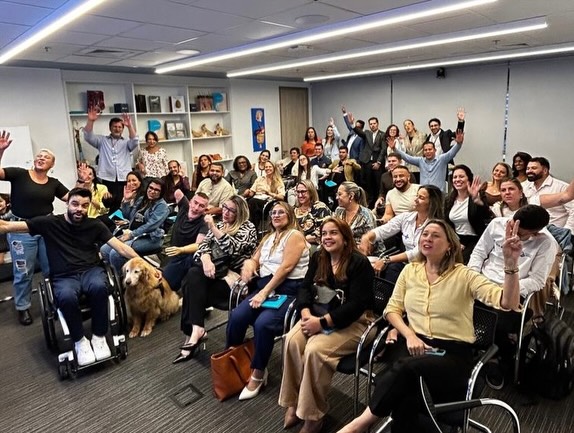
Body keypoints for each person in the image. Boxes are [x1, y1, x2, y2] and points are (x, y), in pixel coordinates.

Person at [338, 218, 522, 433]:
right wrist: (409, 335)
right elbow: (392, 310)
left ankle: (359, 425)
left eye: (435, 235)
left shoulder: (464, 275)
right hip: (414, 345)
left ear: (450, 245)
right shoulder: (410, 271)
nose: (428, 238)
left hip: (452, 355)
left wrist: (511, 265)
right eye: (425, 234)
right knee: (406, 391)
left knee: (402, 375)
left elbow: (508, 302)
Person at [0, 188, 139, 366]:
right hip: (64, 276)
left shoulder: (95, 225)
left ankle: (99, 337)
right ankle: (80, 341)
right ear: (67, 203)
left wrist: (145, 264)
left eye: (84, 205)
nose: (79, 209)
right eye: (75, 204)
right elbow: (7, 226)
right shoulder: (50, 223)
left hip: (91, 270)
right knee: (65, 296)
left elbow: (121, 248)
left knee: (99, 287)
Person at [279, 217, 375, 433]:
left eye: (333, 233)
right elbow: (304, 288)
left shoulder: (359, 263)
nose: (327, 238)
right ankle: (294, 402)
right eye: (324, 234)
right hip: (318, 315)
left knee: (314, 350)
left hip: (358, 322)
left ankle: (313, 416)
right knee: (292, 340)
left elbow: (356, 306)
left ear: (345, 238)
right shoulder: (319, 257)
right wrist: (305, 314)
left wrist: (321, 323)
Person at [227, 202, 309, 400]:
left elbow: (286, 268)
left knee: (263, 324)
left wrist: (264, 293)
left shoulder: (294, 236)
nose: (276, 215)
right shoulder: (268, 237)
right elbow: (254, 259)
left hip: (287, 290)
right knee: (237, 316)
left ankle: (258, 372)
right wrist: (249, 265)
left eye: (281, 212)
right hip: (264, 287)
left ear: (290, 215)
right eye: (273, 213)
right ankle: (233, 361)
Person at [468, 205, 557, 384]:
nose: (513, 234)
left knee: (497, 321)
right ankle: (467, 348)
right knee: (453, 306)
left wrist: (508, 287)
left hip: (513, 289)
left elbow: (537, 280)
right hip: (482, 282)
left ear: (536, 232)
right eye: (512, 225)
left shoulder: (546, 243)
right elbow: (478, 253)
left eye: (521, 233)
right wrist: (472, 277)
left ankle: (498, 356)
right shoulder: (496, 224)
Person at [174, 195, 257, 363]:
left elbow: (232, 249)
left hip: (234, 282)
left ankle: (193, 332)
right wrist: (206, 259)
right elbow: (201, 248)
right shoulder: (220, 224)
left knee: (190, 283)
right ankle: (196, 329)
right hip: (213, 274)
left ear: (240, 213)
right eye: (224, 207)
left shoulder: (248, 228)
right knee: (193, 275)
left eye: (231, 210)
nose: (225, 212)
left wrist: (212, 227)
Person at [0, 130, 69, 325]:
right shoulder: (20, 174)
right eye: (39, 155)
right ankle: (23, 307)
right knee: (23, 271)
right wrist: (0, 151)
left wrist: (85, 182)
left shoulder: (54, 183)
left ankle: (56, 302)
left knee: (52, 269)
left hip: (46, 229)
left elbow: (73, 198)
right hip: (21, 230)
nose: (41, 158)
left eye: (46, 157)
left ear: (52, 165)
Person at [360, 185, 444, 282]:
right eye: (416, 196)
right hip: (408, 265)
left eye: (421, 198)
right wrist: (367, 237)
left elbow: (416, 253)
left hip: (427, 266)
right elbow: (384, 230)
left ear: (431, 203)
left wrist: (386, 260)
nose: (416, 200)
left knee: (392, 270)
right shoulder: (406, 217)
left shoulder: (436, 226)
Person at [100, 177, 169, 273]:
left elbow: (151, 226)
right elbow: (127, 216)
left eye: (156, 190)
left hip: (151, 238)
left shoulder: (162, 206)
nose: (152, 191)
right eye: (151, 188)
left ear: (161, 193)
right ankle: (116, 276)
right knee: (104, 249)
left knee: (115, 253)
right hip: (133, 234)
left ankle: (124, 278)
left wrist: (130, 235)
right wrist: (126, 201)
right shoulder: (142, 199)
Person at [83, 109, 139, 212]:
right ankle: (109, 220)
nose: (117, 129)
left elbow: (135, 141)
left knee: (123, 202)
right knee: (107, 202)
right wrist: (90, 121)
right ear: (110, 128)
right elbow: (88, 136)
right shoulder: (102, 141)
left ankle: (122, 220)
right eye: (115, 127)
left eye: (120, 127)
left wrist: (130, 126)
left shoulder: (126, 142)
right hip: (107, 178)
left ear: (123, 129)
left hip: (124, 178)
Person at [389, 130, 464, 192]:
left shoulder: (442, 159)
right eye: (425, 150)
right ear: (423, 152)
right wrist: (394, 149)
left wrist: (459, 143)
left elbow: (452, 152)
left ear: (435, 150)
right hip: (424, 193)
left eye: (430, 149)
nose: (428, 151)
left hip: (438, 194)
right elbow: (407, 157)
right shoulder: (420, 161)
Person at [162, 191, 209, 291]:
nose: (196, 208)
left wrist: (181, 250)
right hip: (172, 253)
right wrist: (188, 203)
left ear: (205, 210)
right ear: (190, 201)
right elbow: (177, 192)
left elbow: (198, 245)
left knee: (164, 284)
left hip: (185, 258)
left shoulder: (204, 223)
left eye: (201, 206)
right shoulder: (184, 207)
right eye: (195, 202)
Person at [445, 165, 492, 263]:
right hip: (456, 239)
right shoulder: (449, 200)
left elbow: (487, 216)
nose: (457, 179)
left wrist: (477, 201)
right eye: (455, 177)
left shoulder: (479, 196)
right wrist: (456, 242)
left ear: (469, 179)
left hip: (475, 240)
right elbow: (446, 224)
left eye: (461, 176)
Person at [523, 157, 574, 232]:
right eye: (528, 168)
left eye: (534, 168)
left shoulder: (562, 187)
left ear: (545, 171)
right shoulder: (524, 187)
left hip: (556, 232)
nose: (529, 171)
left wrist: (567, 232)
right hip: (532, 232)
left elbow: (573, 211)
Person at [334, 181, 376, 247]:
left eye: (340, 194)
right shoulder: (338, 210)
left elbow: (372, 242)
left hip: (361, 250)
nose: (337, 198)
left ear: (351, 195)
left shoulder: (366, 214)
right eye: (336, 194)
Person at [246, 161, 286, 230]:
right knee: (248, 203)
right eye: (266, 167)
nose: (268, 168)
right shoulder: (260, 179)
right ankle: (253, 229)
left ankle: (253, 229)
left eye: (270, 167)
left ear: (274, 168)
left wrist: (270, 193)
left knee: (252, 202)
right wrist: (247, 193)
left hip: (269, 202)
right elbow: (251, 193)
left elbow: (282, 197)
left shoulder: (278, 181)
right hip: (256, 200)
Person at [294, 180, 332, 249]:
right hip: (295, 243)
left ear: (311, 192)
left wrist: (303, 239)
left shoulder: (320, 207)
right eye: (298, 192)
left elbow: (323, 230)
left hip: (314, 244)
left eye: (303, 192)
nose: (300, 195)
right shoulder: (294, 210)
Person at [359, 116, 386, 208]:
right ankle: (369, 204)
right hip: (367, 162)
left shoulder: (382, 134)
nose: (372, 125)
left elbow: (383, 149)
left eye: (374, 123)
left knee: (378, 185)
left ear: (377, 124)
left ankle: (378, 204)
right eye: (370, 124)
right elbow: (358, 131)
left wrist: (378, 162)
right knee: (368, 184)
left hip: (377, 162)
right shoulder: (367, 133)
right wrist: (351, 123)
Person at [399, 119, 426, 183]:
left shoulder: (422, 135)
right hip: (409, 166)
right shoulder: (405, 138)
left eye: (409, 124)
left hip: (420, 164)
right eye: (405, 125)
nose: (407, 126)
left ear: (413, 125)